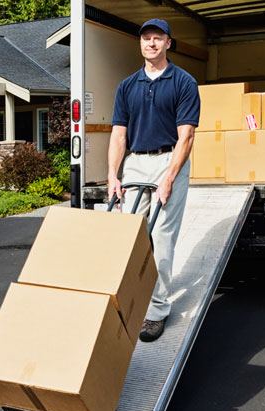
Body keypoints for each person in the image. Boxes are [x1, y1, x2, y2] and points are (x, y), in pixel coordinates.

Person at [108, 18, 200, 342]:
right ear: (141, 44)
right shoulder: (127, 86)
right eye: (146, 38)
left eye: (157, 38)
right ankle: (129, 299)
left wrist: (169, 178)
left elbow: (186, 136)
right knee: (131, 237)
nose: (151, 43)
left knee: (160, 236)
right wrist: (113, 176)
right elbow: (119, 135)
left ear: (168, 44)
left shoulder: (183, 82)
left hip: (169, 158)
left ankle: (156, 311)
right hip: (136, 162)